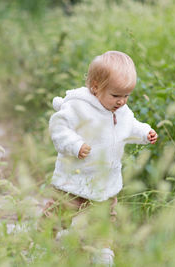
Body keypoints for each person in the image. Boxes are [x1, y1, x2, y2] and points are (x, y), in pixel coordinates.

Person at [48, 50, 158, 265]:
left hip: (106, 180)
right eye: (116, 96)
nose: (122, 101)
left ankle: (102, 249)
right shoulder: (78, 106)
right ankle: (43, 241)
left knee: (105, 218)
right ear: (96, 87)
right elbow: (59, 127)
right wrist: (75, 145)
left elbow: (131, 125)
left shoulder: (122, 110)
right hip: (76, 177)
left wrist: (145, 133)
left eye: (127, 96)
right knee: (60, 212)